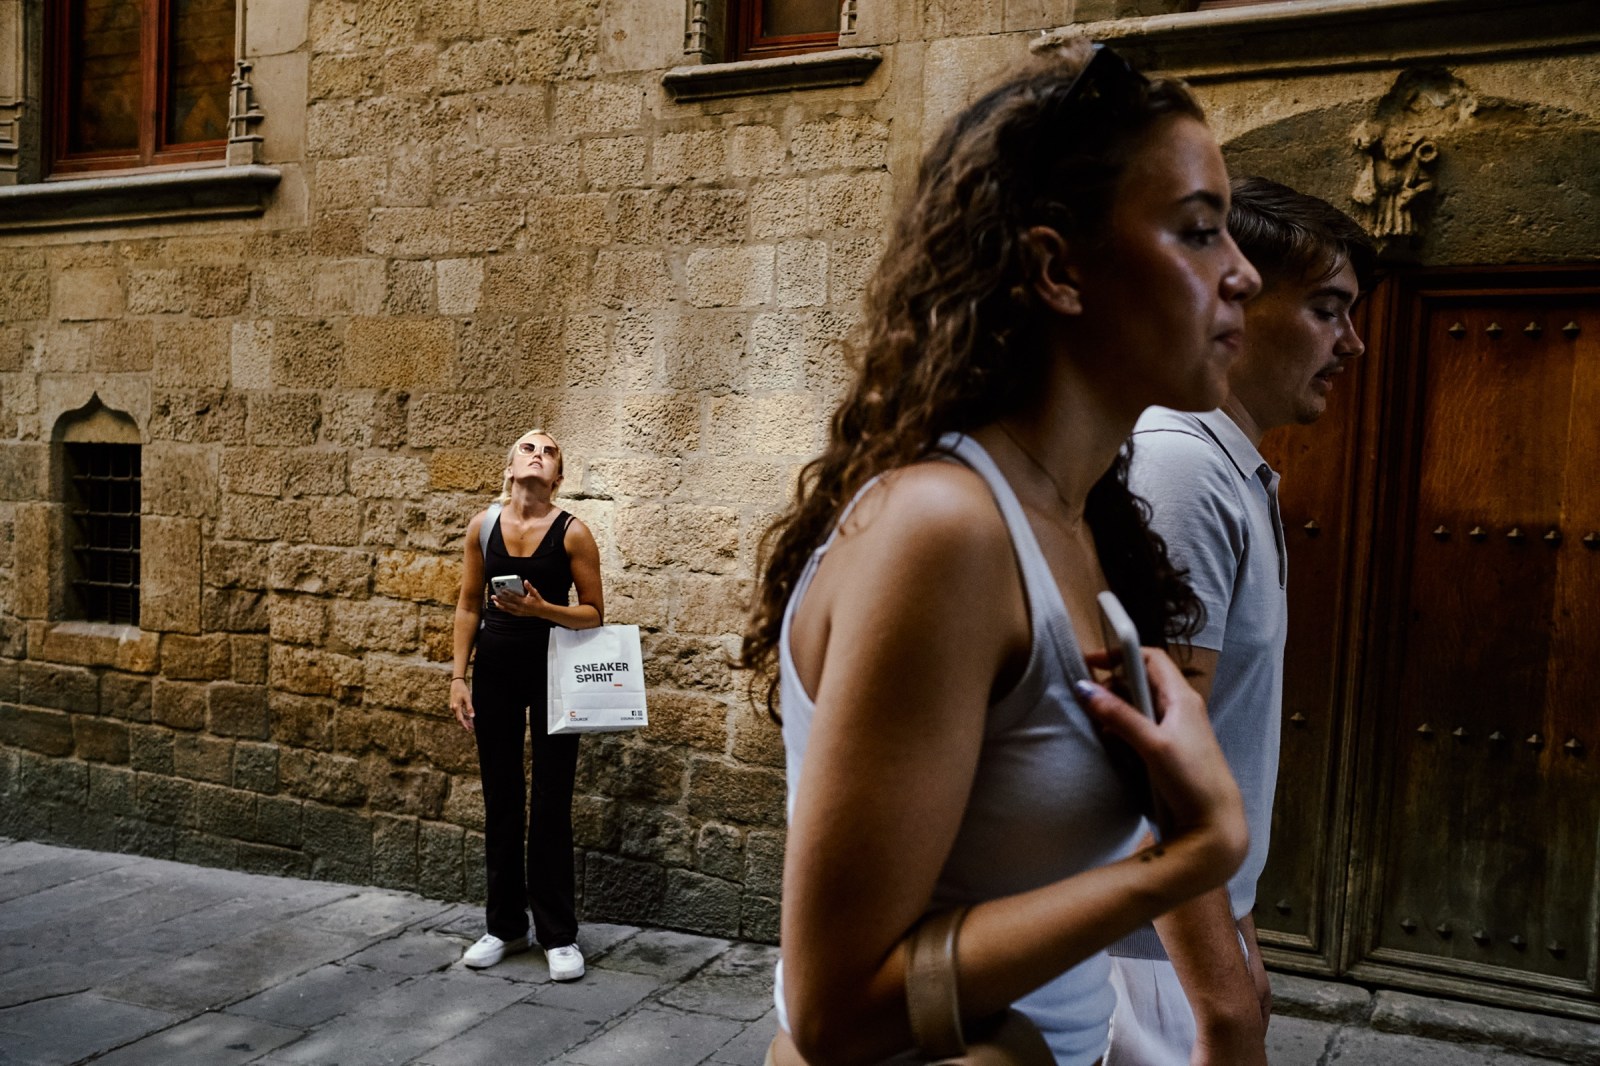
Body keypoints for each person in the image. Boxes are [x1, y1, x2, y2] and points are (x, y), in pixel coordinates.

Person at [739, 42, 1259, 1066]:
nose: (1241, 271)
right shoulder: (945, 531)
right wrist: (1183, 860)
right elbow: (835, 1010)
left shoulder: (1080, 519)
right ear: (1058, 268)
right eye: (1199, 232)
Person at [1106, 177, 1375, 1066]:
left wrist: (1243, 940)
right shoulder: (1180, 473)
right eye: (1330, 311)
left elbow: (1219, 743)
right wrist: (1221, 1003)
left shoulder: (1231, 473)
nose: (1353, 344)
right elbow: (1155, 765)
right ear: (1239, 300)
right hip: (1146, 963)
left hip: (1187, 943)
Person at [449, 429, 604, 980]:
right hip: (493, 672)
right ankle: (506, 927)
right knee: (503, 799)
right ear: (510, 466)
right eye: (528, 448)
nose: (538, 454)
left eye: (550, 451)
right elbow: (468, 604)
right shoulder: (483, 526)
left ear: (558, 477)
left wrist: (541, 610)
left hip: (555, 676)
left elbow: (593, 614)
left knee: (551, 801)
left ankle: (559, 935)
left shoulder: (574, 533)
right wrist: (457, 676)